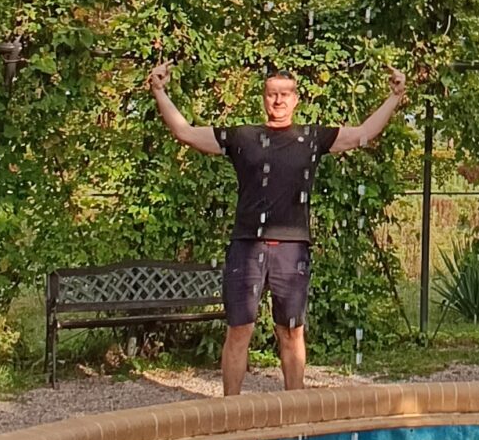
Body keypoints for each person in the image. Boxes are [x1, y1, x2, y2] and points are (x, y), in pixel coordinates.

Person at [147, 59, 407, 394]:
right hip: (246, 245)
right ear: (264, 99)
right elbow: (185, 132)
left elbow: (362, 134)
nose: (279, 100)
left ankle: (294, 410)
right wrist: (159, 91)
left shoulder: (311, 138)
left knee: (292, 331)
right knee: (239, 330)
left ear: (296, 99)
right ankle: (231, 410)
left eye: (285, 94)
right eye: (272, 94)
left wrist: (394, 97)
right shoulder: (243, 136)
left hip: (292, 249)